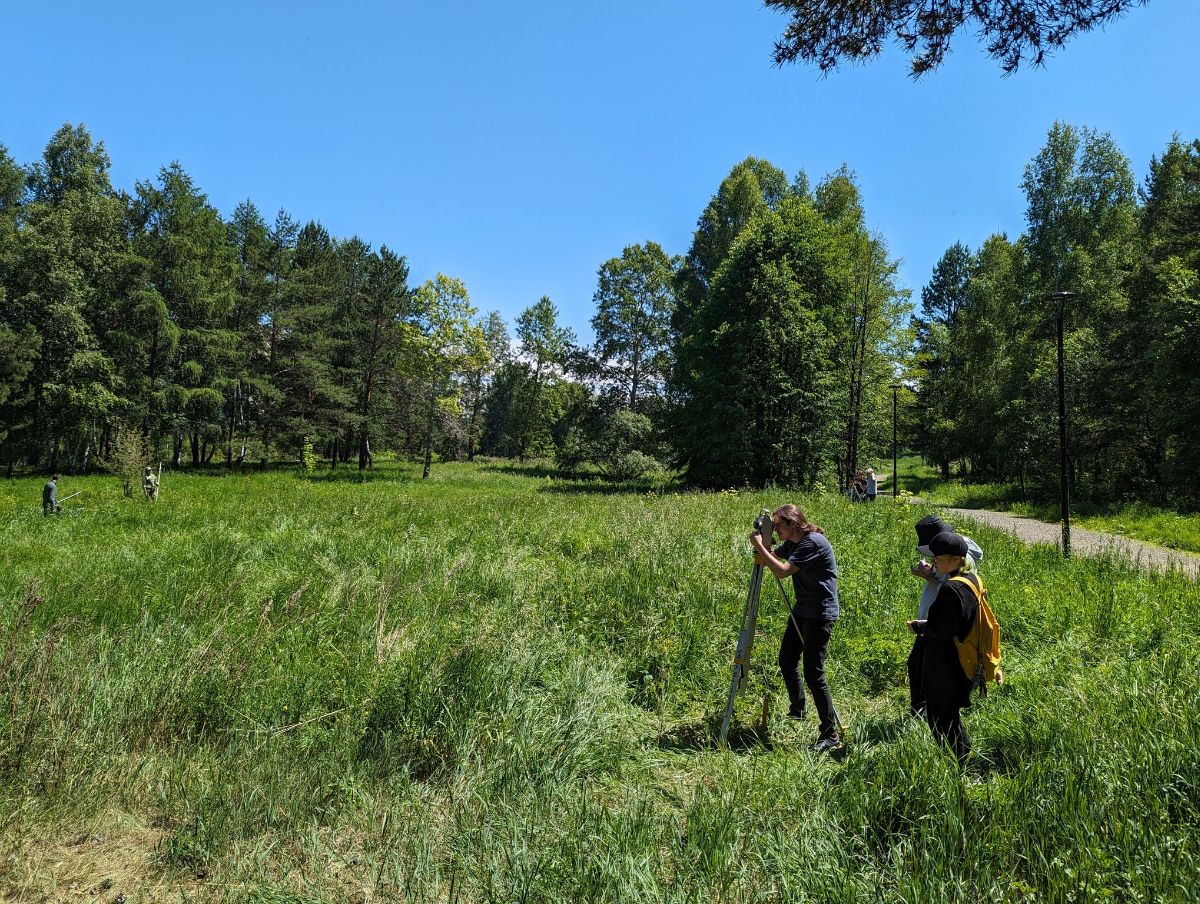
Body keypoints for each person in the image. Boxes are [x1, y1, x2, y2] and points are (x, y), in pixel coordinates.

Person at [750, 504, 844, 753]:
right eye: (774, 527)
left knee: (813, 672)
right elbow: (773, 557)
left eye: (779, 526)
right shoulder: (793, 542)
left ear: (794, 523)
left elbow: (782, 571)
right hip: (802, 610)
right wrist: (765, 541)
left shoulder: (812, 543)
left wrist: (760, 546)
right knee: (787, 659)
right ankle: (798, 708)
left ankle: (830, 734)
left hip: (820, 613)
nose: (777, 531)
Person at [907, 531, 979, 766]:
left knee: (942, 716)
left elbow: (943, 630)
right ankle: (962, 760)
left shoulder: (950, 589)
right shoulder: (972, 580)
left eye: (939, 558)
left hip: (946, 663)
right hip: (964, 657)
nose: (934, 562)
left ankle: (958, 764)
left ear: (956, 560)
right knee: (950, 714)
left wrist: (919, 627)